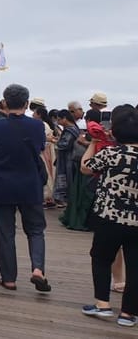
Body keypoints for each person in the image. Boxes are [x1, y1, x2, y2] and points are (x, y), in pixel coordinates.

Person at [0, 84, 50, 292]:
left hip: (2, 185)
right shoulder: (37, 126)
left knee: (5, 233)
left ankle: (9, 278)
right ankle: (38, 268)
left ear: (4, 103)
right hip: (30, 185)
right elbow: (40, 148)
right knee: (36, 230)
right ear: (27, 103)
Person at [79, 104, 138, 328]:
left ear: (115, 130)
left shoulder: (111, 153)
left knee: (102, 258)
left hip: (108, 216)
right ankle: (128, 313)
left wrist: (93, 143)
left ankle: (103, 305)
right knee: (136, 266)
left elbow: (85, 167)